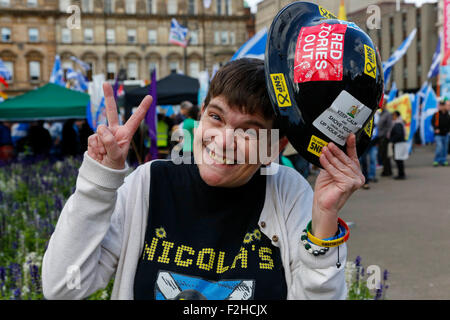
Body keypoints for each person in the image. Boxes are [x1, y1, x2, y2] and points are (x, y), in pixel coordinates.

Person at [42, 59, 365, 300]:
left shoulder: (287, 190)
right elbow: (62, 288)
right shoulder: (148, 183)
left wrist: (324, 220)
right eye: (216, 117)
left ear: (274, 148)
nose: (224, 141)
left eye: (249, 132)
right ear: (200, 116)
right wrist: (99, 181)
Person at [431, 99, 450, 166]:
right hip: (438, 134)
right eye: (440, 105)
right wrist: (436, 129)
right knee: (439, 147)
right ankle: (436, 160)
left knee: (445, 148)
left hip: (446, 133)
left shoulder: (448, 114)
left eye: (443, 105)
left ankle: (443, 160)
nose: (442, 107)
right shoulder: (437, 114)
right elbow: (434, 123)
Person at [377, 98, 393, 177]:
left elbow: (390, 126)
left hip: (384, 137)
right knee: (382, 154)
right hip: (380, 136)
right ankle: (386, 170)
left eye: (382, 103)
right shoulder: (381, 113)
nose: (381, 105)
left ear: (385, 104)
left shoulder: (387, 114)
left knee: (385, 155)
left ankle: (388, 171)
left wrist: (387, 137)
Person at [389, 111, 406, 180]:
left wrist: (392, 140)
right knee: (399, 159)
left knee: (398, 160)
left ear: (395, 115)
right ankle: (401, 173)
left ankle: (401, 174)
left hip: (398, 144)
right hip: (399, 143)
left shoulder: (397, 124)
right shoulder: (398, 123)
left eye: (393, 115)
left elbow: (398, 134)